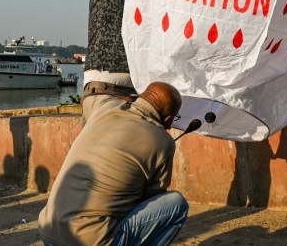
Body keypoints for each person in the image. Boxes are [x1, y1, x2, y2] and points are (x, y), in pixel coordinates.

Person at [38, 82, 189, 246]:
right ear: (168, 119)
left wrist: (122, 100)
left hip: (49, 233)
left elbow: (87, 98)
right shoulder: (163, 140)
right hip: (93, 241)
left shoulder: (106, 106)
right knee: (177, 204)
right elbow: (152, 196)